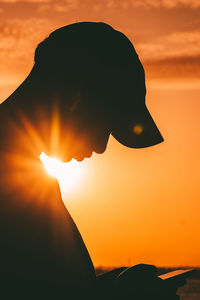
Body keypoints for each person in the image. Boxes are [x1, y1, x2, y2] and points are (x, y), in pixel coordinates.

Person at [0, 22, 181, 299]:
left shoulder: (27, 176)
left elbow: (37, 286)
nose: (100, 147)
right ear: (77, 94)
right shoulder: (17, 182)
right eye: (104, 126)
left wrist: (111, 289)